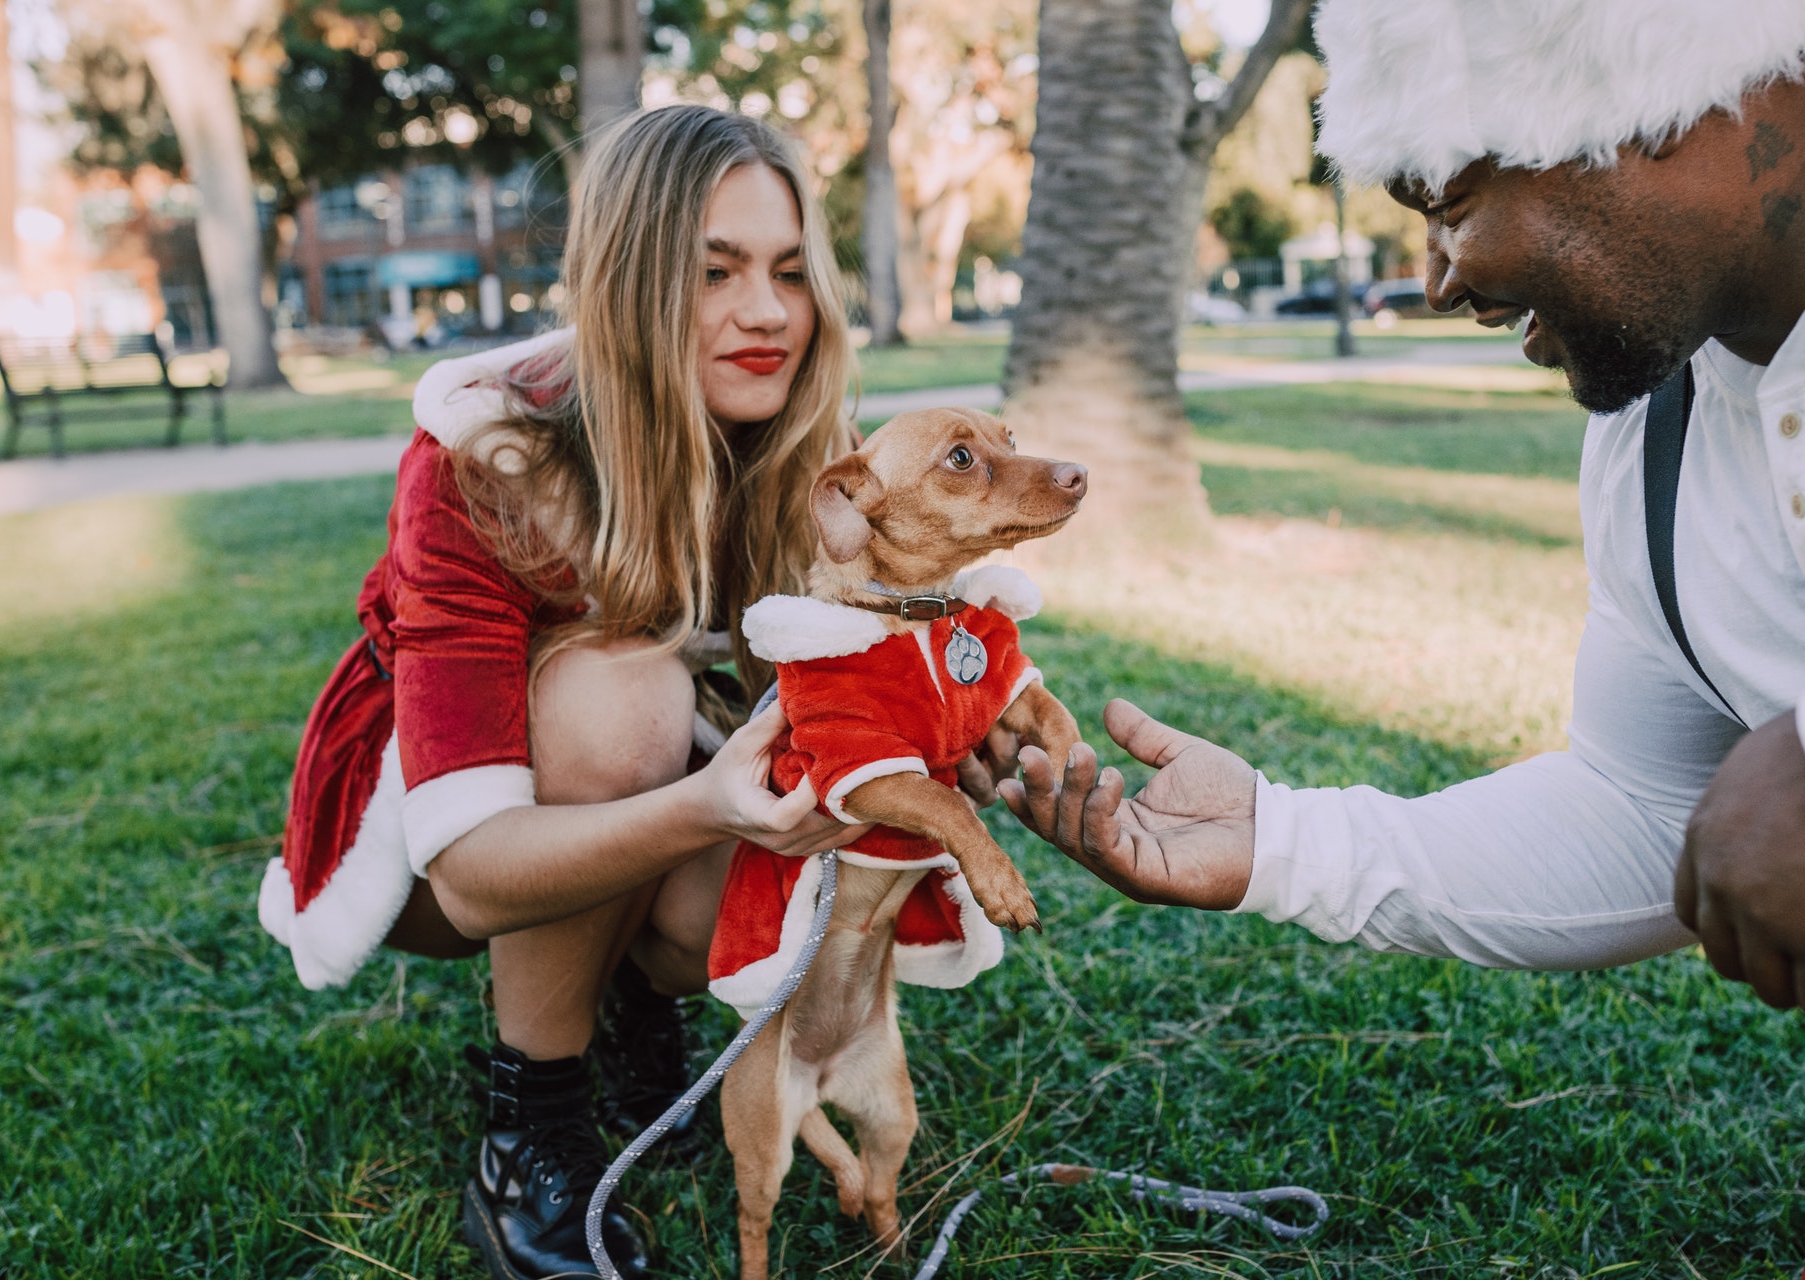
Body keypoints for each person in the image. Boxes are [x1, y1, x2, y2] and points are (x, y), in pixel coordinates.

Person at [1004, 0, 1805, 1012]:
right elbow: (1644, 808)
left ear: (1646, 107)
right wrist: (1281, 838)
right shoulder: (1653, 438)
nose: (1438, 278)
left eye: (1450, 200)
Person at [256, 105, 872, 1279]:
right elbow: (475, 872)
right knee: (623, 690)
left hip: (641, 783)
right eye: (716, 272)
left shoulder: (792, 430)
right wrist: (706, 810)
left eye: (792, 272)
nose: (768, 314)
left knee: (718, 890)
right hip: (432, 832)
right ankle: (528, 1125)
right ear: (631, 281)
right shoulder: (489, 456)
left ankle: (635, 997)